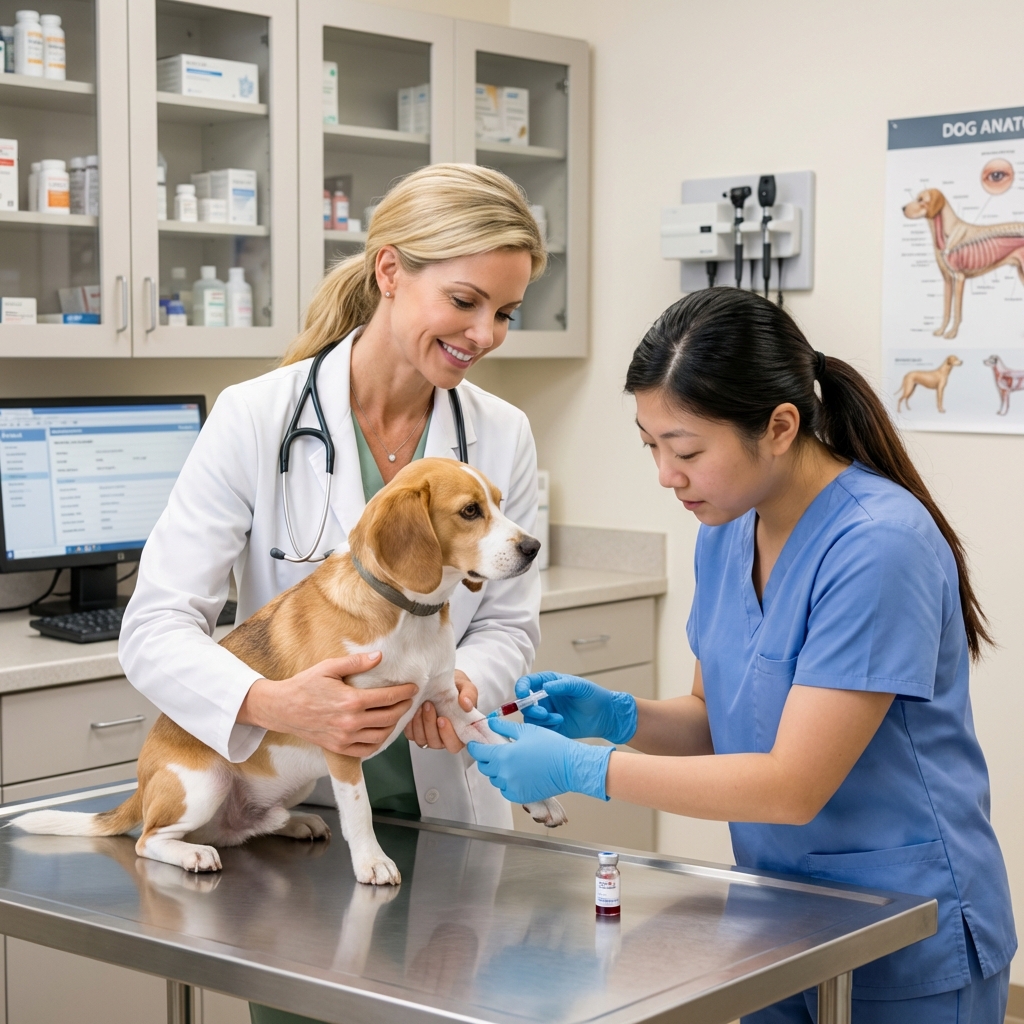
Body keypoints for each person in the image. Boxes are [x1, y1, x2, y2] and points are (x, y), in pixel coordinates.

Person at [469, 288, 1016, 1023]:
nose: (667, 474)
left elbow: (792, 784)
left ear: (781, 426)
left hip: (906, 923)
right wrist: (615, 716)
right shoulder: (727, 527)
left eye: (687, 450)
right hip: (778, 915)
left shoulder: (879, 545)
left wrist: (584, 771)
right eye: (651, 446)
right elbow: (714, 720)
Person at [120, 163, 548, 1020]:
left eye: (504, 312)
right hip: (301, 831)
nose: (487, 334)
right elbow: (155, 626)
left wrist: (471, 682)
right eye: (465, 302)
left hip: (445, 818)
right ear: (390, 271)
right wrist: (274, 701)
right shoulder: (255, 418)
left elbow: (508, 625)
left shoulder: (501, 434)